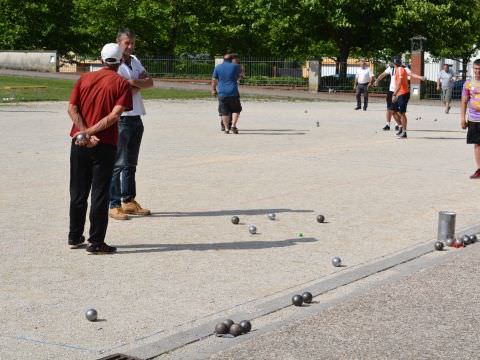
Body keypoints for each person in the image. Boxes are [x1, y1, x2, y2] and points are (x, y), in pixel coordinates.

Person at [68, 43, 132, 254]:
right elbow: (115, 116)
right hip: (104, 144)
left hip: (79, 141)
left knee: (78, 192)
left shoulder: (84, 78)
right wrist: (92, 133)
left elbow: (72, 108)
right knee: (100, 194)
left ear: (101, 59)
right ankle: (96, 241)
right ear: (120, 60)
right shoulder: (121, 83)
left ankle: (75, 236)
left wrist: (84, 132)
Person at [109, 28, 154, 221]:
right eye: (127, 42)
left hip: (136, 115)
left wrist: (134, 82)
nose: (130, 46)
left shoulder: (134, 60)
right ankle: (114, 203)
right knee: (117, 163)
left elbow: (149, 82)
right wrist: (135, 84)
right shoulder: (113, 63)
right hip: (122, 117)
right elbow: (120, 87)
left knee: (131, 164)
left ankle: (128, 200)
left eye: (132, 43)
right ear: (118, 43)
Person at [374, 58, 424, 132]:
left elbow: (411, 74)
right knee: (390, 109)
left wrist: (419, 77)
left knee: (399, 111)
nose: (396, 64)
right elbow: (383, 74)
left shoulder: (403, 68)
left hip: (400, 92)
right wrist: (377, 80)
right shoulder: (391, 68)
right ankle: (388, 124)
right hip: (392, 91)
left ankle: (399, 126)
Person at [212, 52, 242, 134]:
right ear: (231, 59)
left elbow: (214, 80)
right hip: (233, 92)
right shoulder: (236, 66)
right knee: (236, 110)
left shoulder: (218, 67)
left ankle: (226, 129)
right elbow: (241, 74)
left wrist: (213, 89)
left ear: (223, 59)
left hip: (222, 92)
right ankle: (233, 126)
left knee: (224, 112)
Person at [460, 59, 480, 179]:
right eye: (475, 69)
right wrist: (462, 118)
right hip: (473, 119)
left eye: (479, 69)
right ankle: (479, 169)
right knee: (477, 144)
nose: (477, 71)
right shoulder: (468, 83)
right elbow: (464, 101)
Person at [392, 57, 410, 139]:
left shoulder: (400, 70)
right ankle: (400, 127)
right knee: (393, 111)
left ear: (393, 63)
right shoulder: (397, 70)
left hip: (403, 94)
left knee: (402, 113)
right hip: (398, 93)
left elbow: (399, 84)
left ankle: (404, 132)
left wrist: (394, 94)